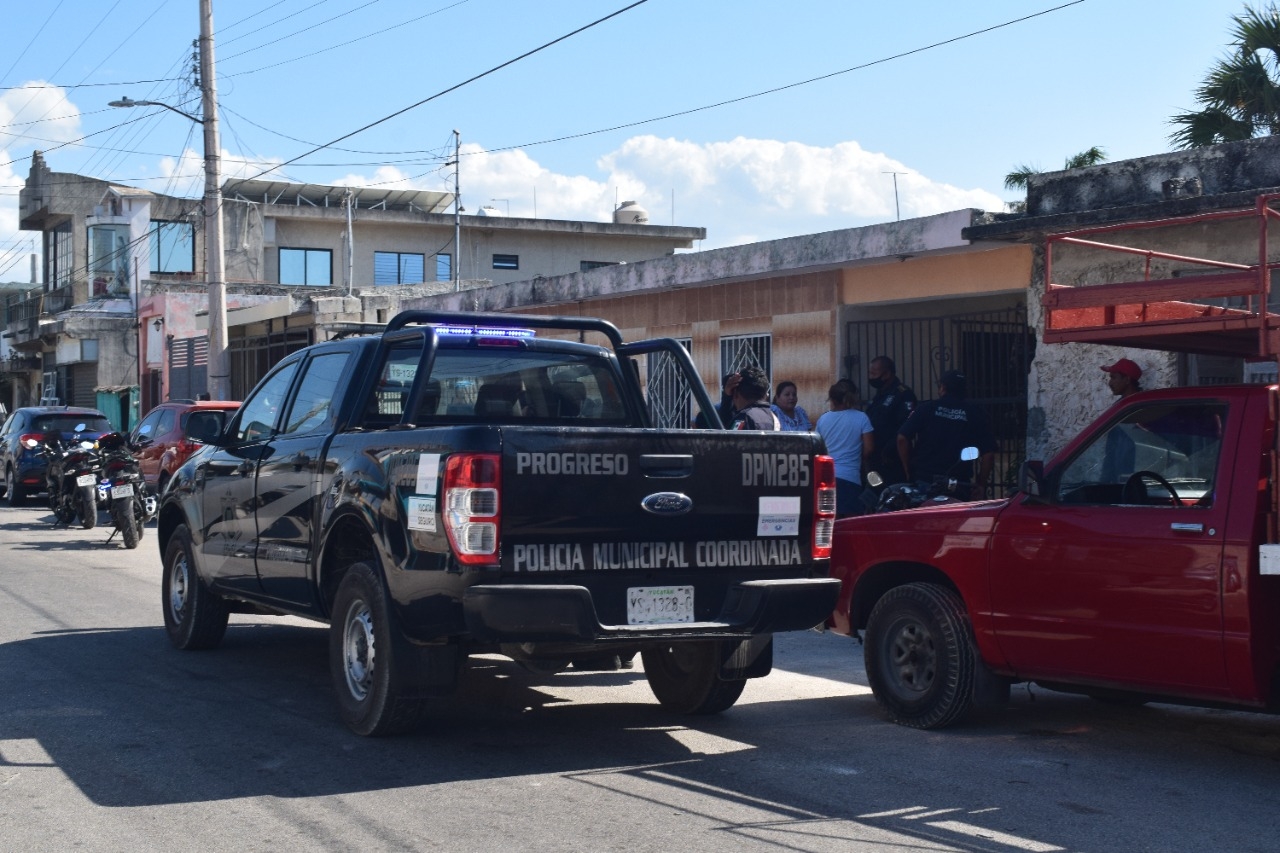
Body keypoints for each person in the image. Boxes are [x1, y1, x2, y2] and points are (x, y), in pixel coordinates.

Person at [897, 369, 997, 500]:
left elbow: (902, 438)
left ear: (943, 387)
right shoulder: (975, 413)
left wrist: (908, 469)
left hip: (924, 480)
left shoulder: (927, 408)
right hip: (959, 484)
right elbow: (988, 454)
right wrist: (981, 484)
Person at [814, 381, 874, 516]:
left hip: (826, 478)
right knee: (848, 523)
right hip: (850, 478)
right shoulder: (861, 418)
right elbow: (869, 448)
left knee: (827, 521)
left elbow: (817, 448)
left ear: (832, 399)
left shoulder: (823, 419)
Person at [863, 356, 916, 484]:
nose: (870, 377)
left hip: (892, 458)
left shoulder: (903, 394)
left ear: (886, 374)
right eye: (870, 373)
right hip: (875, 458)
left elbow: (906, 428)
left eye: (874, 374)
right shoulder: (879, 395)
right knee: (874, 494)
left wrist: (889, 450)